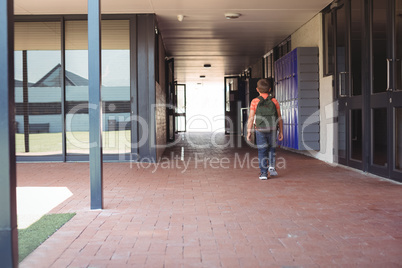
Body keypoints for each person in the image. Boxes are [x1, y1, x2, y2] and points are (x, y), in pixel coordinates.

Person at [246, 78, 283, 180]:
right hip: (273, 128)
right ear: (270, 89)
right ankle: (271, 165)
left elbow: (251, 118)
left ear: (257, 89)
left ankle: (263, 173)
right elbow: (279, 117)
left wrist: (249, 132)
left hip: (260, 129)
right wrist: (281, 132)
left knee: (262, 151)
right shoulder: (274, 101)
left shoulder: (255, 101)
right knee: (272, 148)